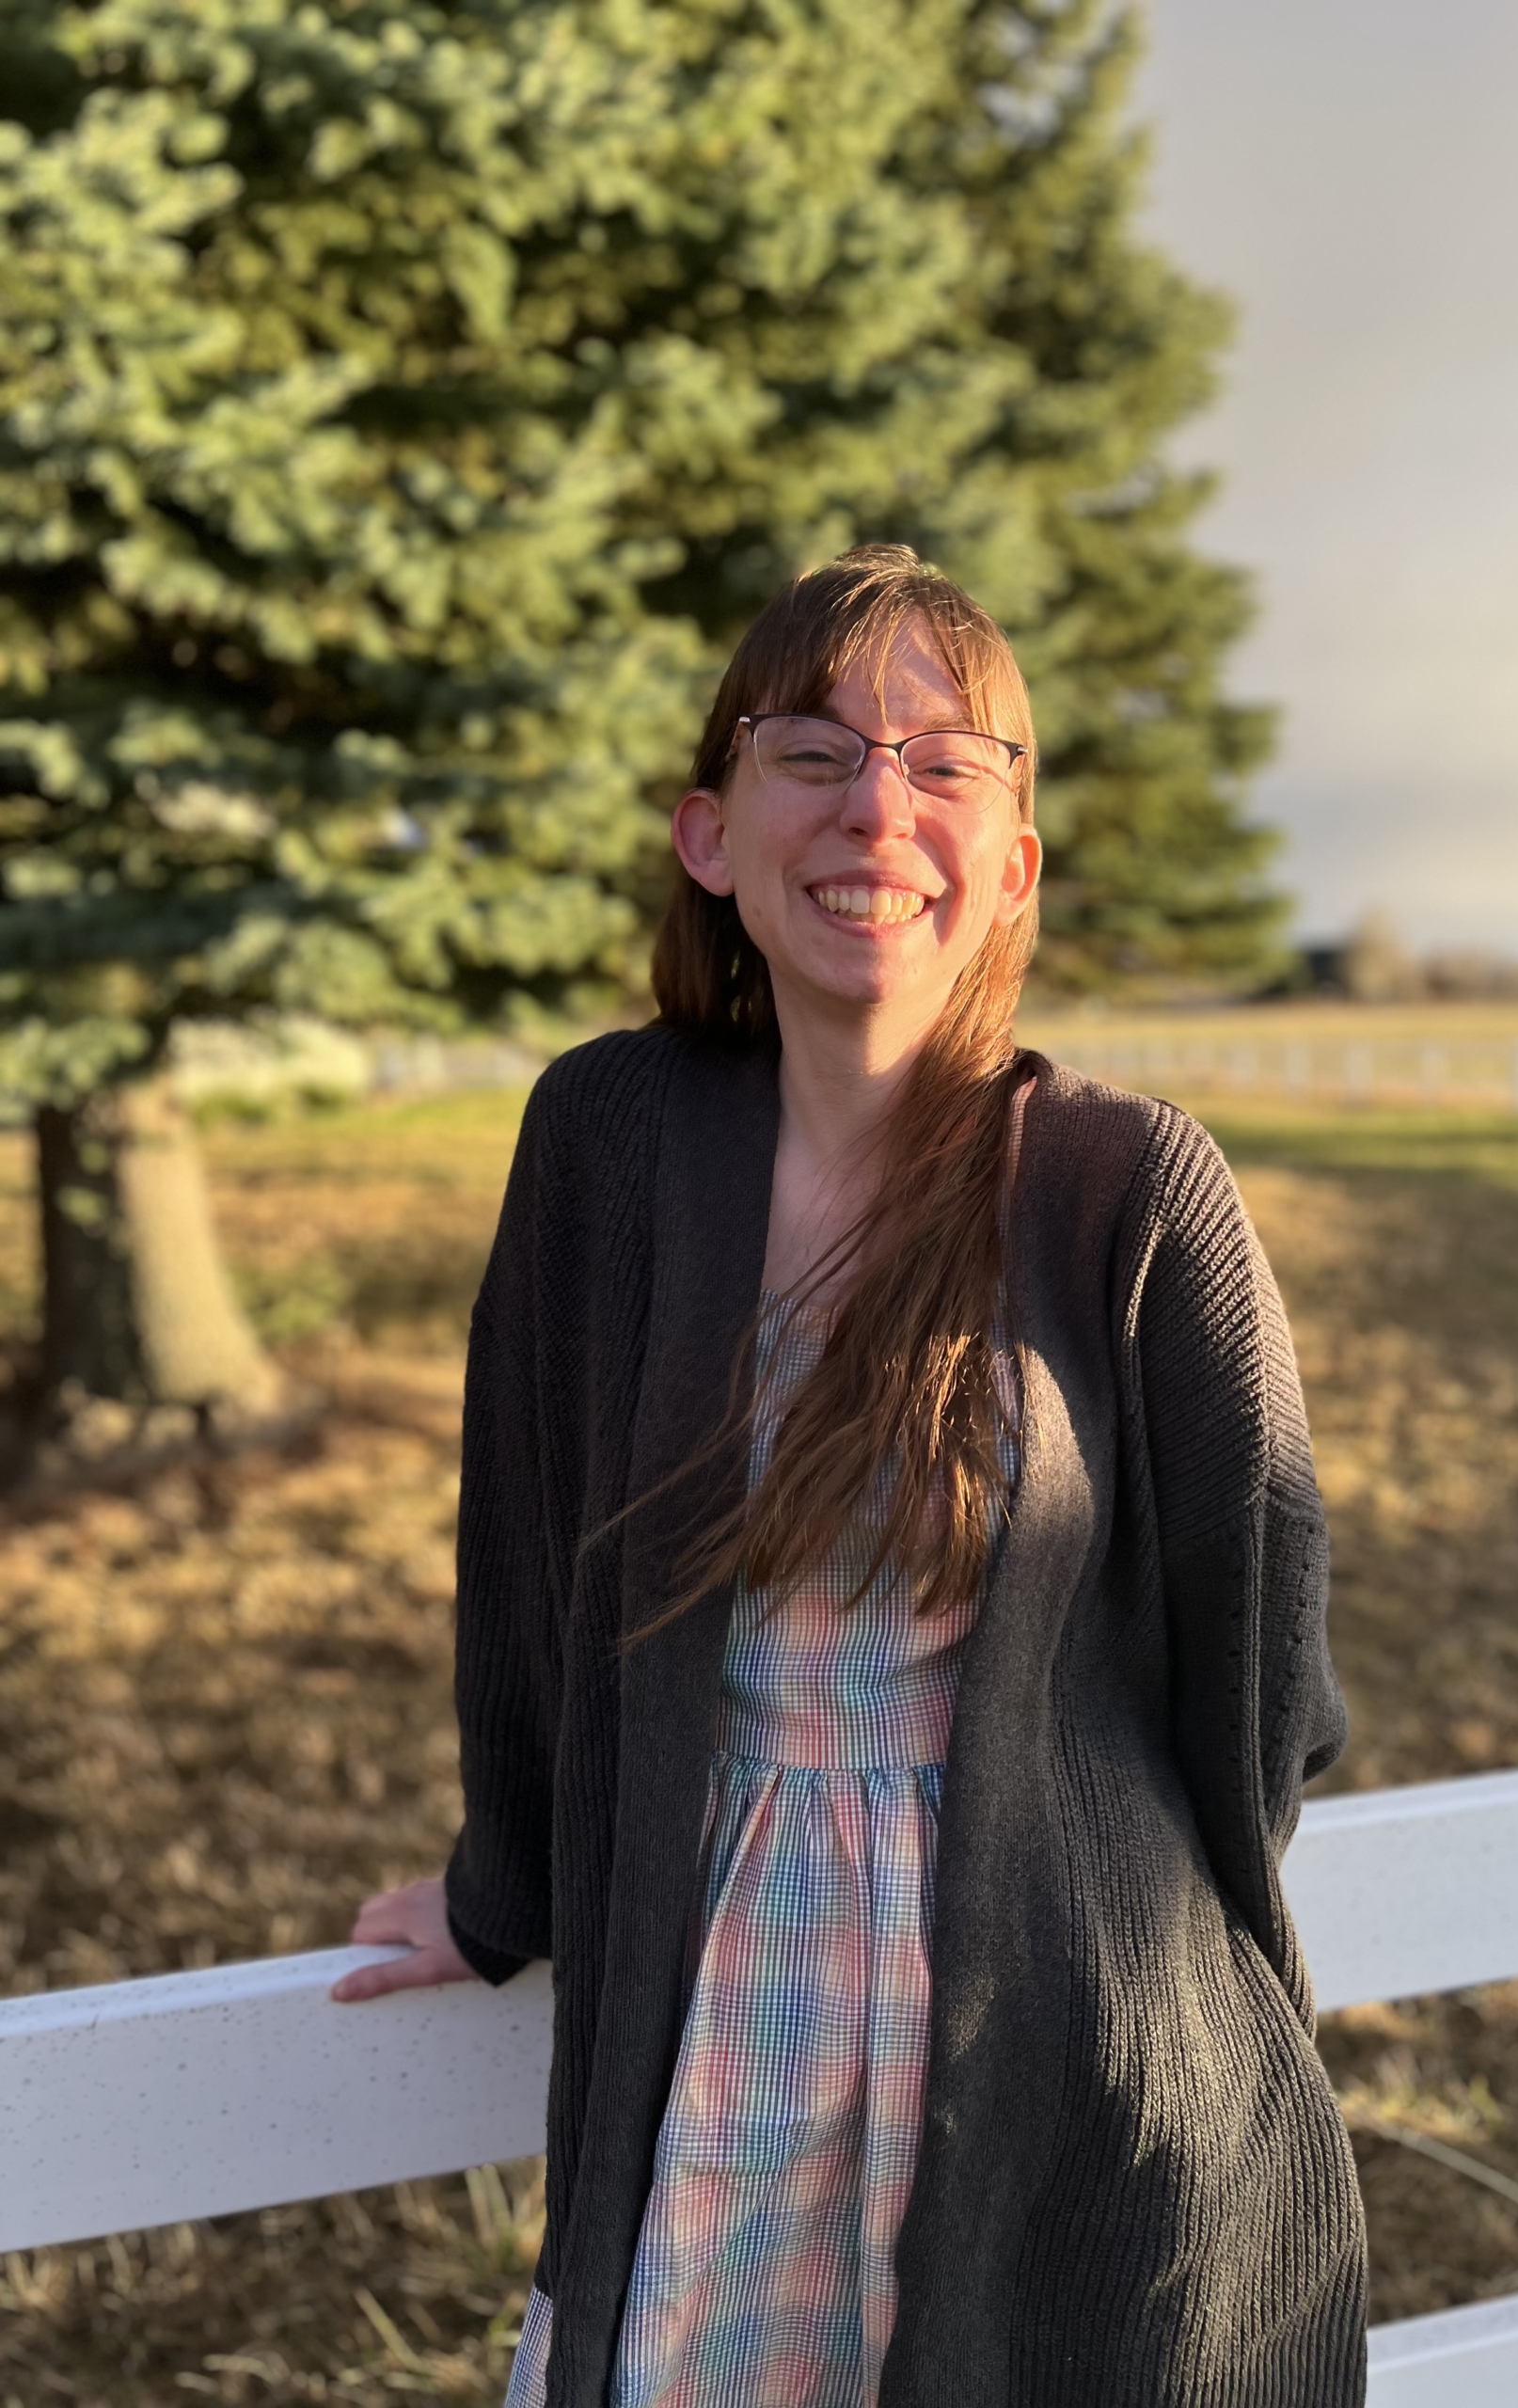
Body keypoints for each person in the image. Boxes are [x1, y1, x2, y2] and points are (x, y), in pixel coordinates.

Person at [334, 545, 1368, 2407]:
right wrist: (504, 1888)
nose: (878, 806)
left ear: (1013, 866)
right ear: (710, 835)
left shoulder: (1136, 1190)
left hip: (1049, 2032)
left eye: (945, 762)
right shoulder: (606, 1139)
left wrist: (1123, 1943)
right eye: (811, 752)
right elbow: (526, 1571)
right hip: (715, 2016)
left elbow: (1266, 1674)